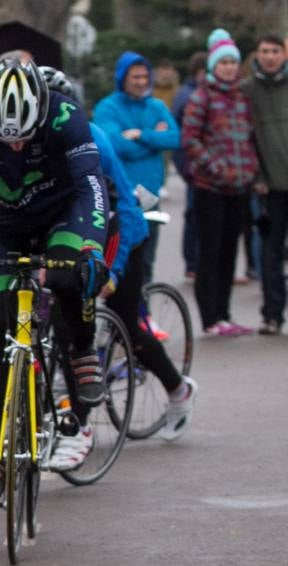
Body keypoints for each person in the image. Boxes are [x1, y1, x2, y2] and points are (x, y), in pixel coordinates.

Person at [0, 58, 111, 506]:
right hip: (1, 222)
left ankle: (82, 349)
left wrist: (91, 249)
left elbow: (91, 187)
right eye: (4, 140)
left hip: (62, 215)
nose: (13, 148)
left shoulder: (66, 116)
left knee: (70, 281)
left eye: (23, 138)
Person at [43, 66, 197, 452]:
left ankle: (177, 389)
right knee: (57, 312)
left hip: (120, 229)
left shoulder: (94, 139)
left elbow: (125, 210)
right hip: (72, 230)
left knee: (124, 321)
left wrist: (114, 270)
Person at [181, 29, 259, 336]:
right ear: (213, 65)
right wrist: (215, 167)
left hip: (239, 187)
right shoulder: (202, 97)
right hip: (210, 187)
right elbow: (190, 139)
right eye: (223, 62)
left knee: (229, 252)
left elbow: (251, 138)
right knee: (209, 253)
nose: (228, 67)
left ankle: (225, 313)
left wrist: (250, 170)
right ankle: (210, 318)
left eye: (232, 62)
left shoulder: (243, 96)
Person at [92, 51, 180, 284]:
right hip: (123, 194)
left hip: (150, 194)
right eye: (135, 77)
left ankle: (145, 314)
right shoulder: (107, 108)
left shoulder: (156, 106)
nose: (142, 82)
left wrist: (141, 135)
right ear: (123, 78)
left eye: (145, 76)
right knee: (125, 259)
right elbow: (116, 146)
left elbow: (174, 138)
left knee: (147, 259)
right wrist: (153, 141)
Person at [242, 33, 288, 335]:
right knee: (271, 254)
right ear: (257, 54)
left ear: (284, 54)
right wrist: (256, 177)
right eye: (264, 51)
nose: (270, 56)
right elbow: (244, 140)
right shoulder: (246, 91)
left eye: (275, 50)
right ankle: (272, 315)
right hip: (270, 188)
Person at [172, 51, 207, 280]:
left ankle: (194, 262)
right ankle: (193, 262)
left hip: (194, 165)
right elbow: (179, 136)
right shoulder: (189, 96)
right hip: (194, 166)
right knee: (194, 216)